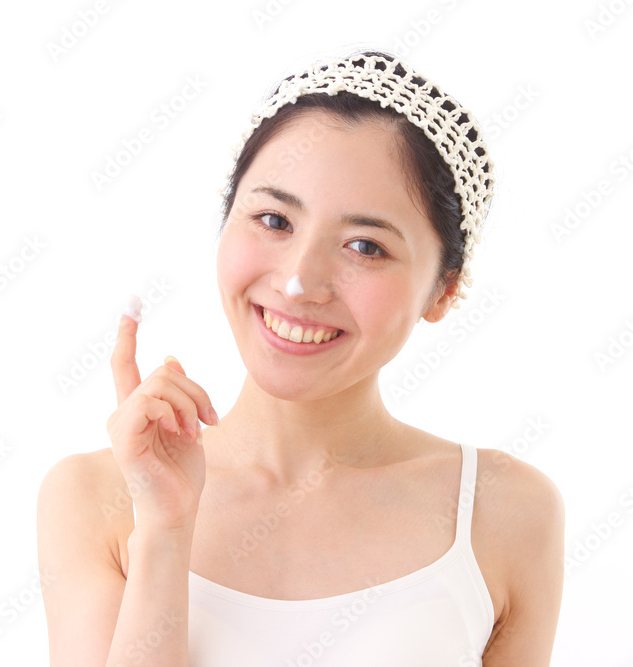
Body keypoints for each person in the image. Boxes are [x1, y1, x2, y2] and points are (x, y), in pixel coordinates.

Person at [37, 47, 565, 666]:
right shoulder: (96, 497)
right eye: (274, 219)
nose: (297, 282)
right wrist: (163, 530)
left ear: (444, 290)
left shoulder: (504, 513)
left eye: (365, 246)